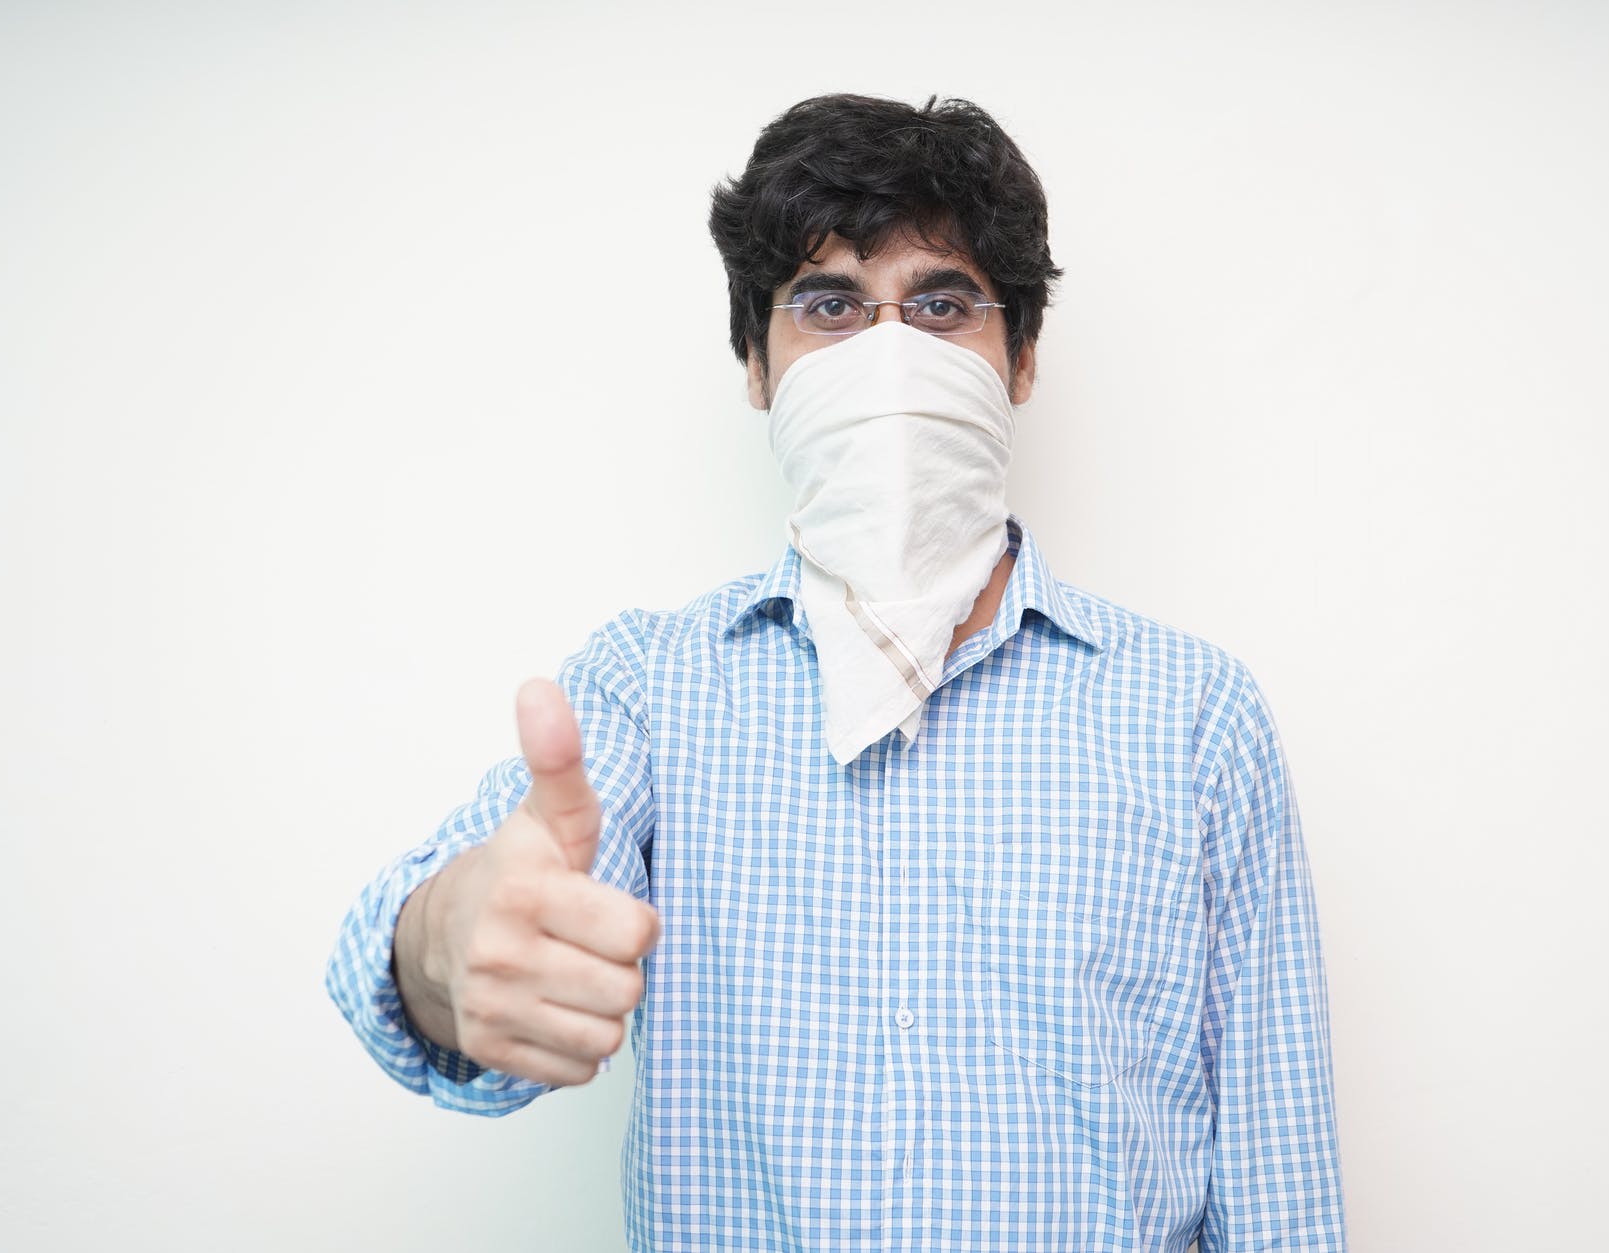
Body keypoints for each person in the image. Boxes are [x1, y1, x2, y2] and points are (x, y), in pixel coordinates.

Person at [327, 93, 1345, 1250]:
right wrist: (448, 940)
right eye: (829, 306)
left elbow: (1277, 1181)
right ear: (757, 367)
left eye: (942, 304)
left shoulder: (1193, 714)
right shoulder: (648, 690)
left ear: (1019, 359)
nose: (889, 355)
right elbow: (450, 948)